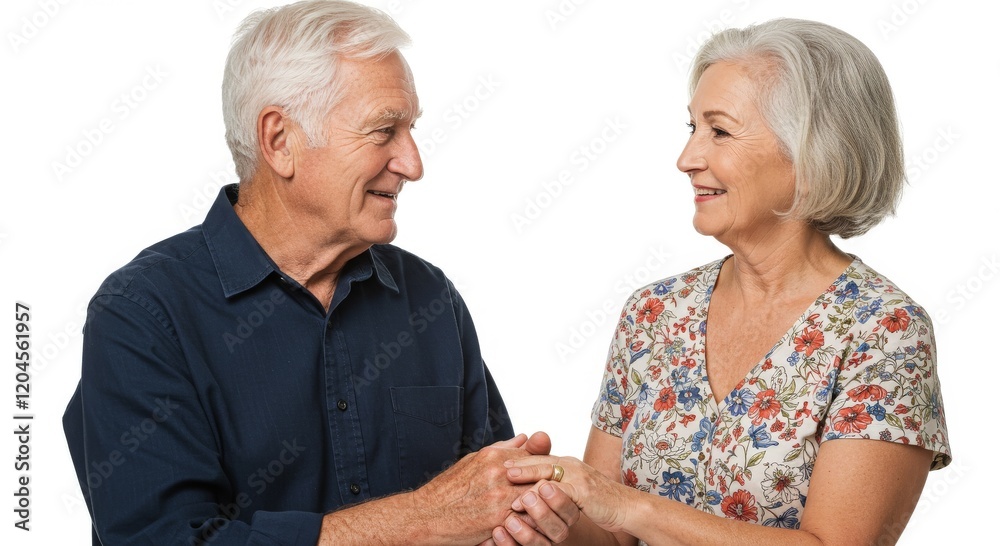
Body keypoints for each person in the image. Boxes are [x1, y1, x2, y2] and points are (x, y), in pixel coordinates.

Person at [61, 1, 550, 544]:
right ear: (280, 141)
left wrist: (532, 514)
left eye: (411, 130)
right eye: (384, 130)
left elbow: (487, 505)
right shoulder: (143, 314)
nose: (413, 163)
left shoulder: (430, 298)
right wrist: (420, 519)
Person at [490, 18, 951, 546]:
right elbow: (608, 535)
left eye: (721, 131)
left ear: (811, 149)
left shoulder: (885, 330)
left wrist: (624, 504)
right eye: (692, 129)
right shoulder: (654, 313)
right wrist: (540, 510)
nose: (687, 159)